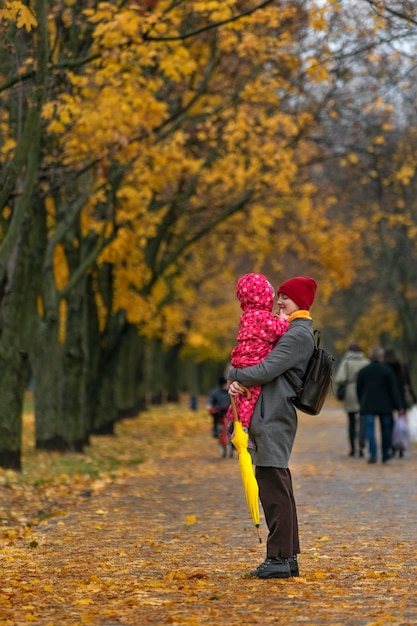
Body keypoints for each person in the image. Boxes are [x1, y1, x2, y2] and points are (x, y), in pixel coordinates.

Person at [228, 276, 317, 579]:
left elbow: (267, 369)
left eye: (286, 298)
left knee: (272, 486)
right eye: (278, 297)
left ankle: (278, 558)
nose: (280, 303)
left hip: (273, 415)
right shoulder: (293, 331)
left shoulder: (297, 335)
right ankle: (286, 557)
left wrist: (235, 374)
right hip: (272, 412)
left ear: (300, 303)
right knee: (278, 484)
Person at [225, 273, 289, 448]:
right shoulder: (263, 317)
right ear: (264, 296)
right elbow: (278, 331)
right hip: (254, 360)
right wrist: (283, 320)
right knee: (249, 396)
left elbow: (262, 332)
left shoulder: (247, 316)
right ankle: (243, 429)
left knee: (240, 394)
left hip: (242, 357)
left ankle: (233, 419)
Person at [356, 346, 405, 464]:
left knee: (370, 430)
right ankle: (385, 454)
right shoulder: (387, 371)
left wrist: (361, 402)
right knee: (386, 430)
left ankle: (373, 454)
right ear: (381, 357)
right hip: (385, 406)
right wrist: (399, 406)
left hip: (368, 405)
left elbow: (358, 389)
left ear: (371, 357)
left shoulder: (363, 371)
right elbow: (393, 390)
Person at [334, 342, 370, 458]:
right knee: (363, 421)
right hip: (363, 393)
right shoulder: (366, 362)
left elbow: (340, 378)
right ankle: (362, 446)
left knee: (352, 422)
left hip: (350, 392)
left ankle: (353, 448)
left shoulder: (347, 362)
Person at [384, 347, 416, 457]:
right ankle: (401, 447)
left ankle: (392, 447)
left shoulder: (385, 367)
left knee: (389, 424)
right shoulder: (403, 366)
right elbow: (408, 383)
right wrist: (413, 397)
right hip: (401, 398)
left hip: (388, 399)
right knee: (401, 423)